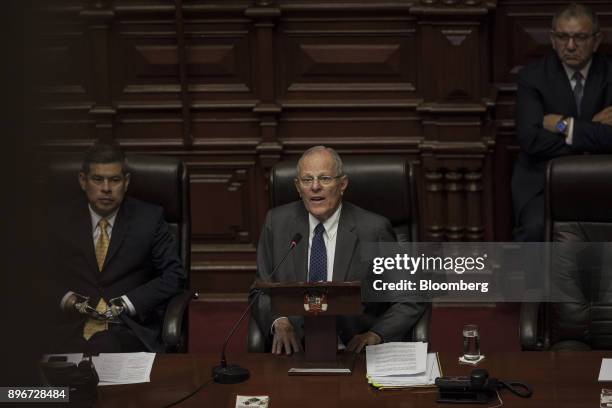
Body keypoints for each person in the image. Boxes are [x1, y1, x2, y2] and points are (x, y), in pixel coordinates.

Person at [251, 146, 425, 355]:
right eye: (307, 180)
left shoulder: (373, 230)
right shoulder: (276, 223)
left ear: (342, 184)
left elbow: (410, 297)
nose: (315, 187)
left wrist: (376, 334)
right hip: (294, 351)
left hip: (354, 353)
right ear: (298, 187)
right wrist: (279, 321)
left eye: (324, 178)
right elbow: (260, 291)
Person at [47, 143, 186, 353]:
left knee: (104, 351)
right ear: (83, 181)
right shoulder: (59, 219)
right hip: (71, 328)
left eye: (114, 180)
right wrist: (68, 300)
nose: (106, 188)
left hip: (126, 329)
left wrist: (128, 303)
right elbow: (36, 274)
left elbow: (174, 275)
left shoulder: (149, 218)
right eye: (97, 179)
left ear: (126, 182)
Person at [512, 2, 612, 242]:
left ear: (597, 40)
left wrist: (565, 126)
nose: (570, 46)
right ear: (553, 39)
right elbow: (531, 139)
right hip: (543, 181)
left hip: (603, 180)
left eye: (580, 37)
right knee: (535, 229)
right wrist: (593, 133)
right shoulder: (532, 77)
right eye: (563, 37)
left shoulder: (610, 74)